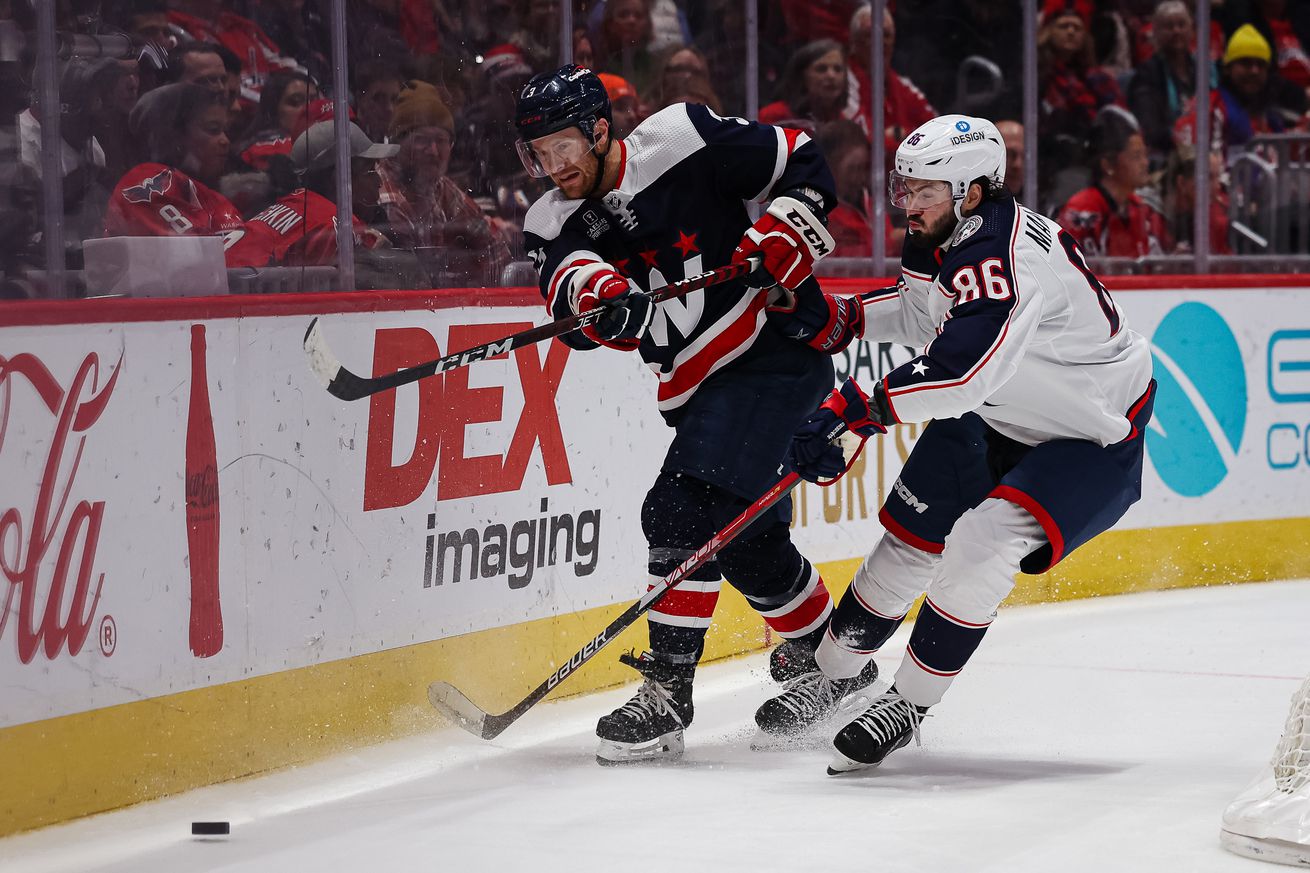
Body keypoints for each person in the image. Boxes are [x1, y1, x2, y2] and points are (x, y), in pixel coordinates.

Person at [753, 114, 1155, 774]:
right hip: (1001, 410)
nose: (907, 204)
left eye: (924, 191)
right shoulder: (942, 231)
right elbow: (925, 316)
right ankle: (833, 674)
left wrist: (860, 406)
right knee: (907, 543)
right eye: (904, 187)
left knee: (982, 543)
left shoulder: (1005, 256)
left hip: (1090, 431)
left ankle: (907, 704)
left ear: (971, 191)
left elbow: (964, 372)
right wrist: (847, 316)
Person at [515, 64, 873, 764]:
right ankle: (835, 664)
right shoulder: (550, 218)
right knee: (744, 541)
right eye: (537, 153)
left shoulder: (680, 137)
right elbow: (569, 289)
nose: (552, 166)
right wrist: (602, 299)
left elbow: (802, 156)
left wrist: (783, 228)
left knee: (680, 509)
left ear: (597, 129)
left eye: (562, 146)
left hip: (774, 359)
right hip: (701, 392)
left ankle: (667, 692)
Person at [103, 83, 261, 267]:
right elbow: (199, 264)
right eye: (212, 130)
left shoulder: (211, 194)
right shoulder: (148, 181)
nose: (225, 140)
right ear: (176, 136)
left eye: (225, 130)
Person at [378, 81, 511, 284]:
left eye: (440, 141)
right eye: (422, 140)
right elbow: (415, 281)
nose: (433, 151)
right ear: (397, 143)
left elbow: (497, 249)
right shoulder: (382, 192)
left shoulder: (441, 187)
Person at [231, 119, 396, 267]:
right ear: (339, 178)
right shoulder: (335, 222)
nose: (379, 182)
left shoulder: (295, 207)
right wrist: (376, 253)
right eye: (369, 172)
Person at [1058, 107, 1171, 258]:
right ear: (1108, 166)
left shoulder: (1141, 209)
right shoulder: (1082, 210)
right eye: (1136, 156)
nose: (1145, 163)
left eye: (1145, 154)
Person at [1127, 0, 1199, 167]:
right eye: (1169, 26)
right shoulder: (1146, 75)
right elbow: (1151, 130)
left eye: (1182, 25)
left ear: (1192, 30)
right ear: (1155, 32)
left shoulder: (1206, 71)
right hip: (1169, 155)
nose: (1176, 31)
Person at [758, 39, 856, 128]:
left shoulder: (843, 124)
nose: (831, 76)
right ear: (802, 76)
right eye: (821, 69)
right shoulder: (775, 116)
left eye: (838, 69)